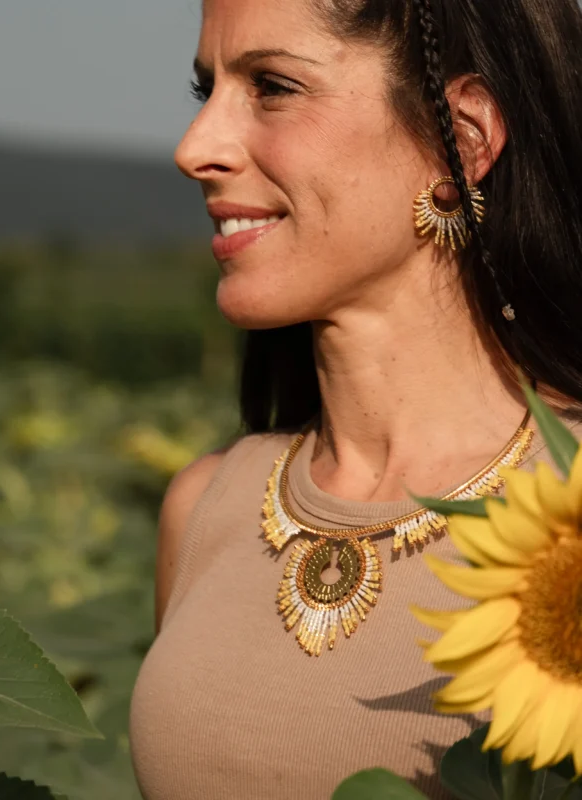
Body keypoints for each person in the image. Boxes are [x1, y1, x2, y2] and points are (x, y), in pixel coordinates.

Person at [129, 0, 582, 797]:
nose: (193, 148)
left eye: (272, 86)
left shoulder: (571, 500)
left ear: (463, 135)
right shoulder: (207, 508)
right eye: (208, 93)